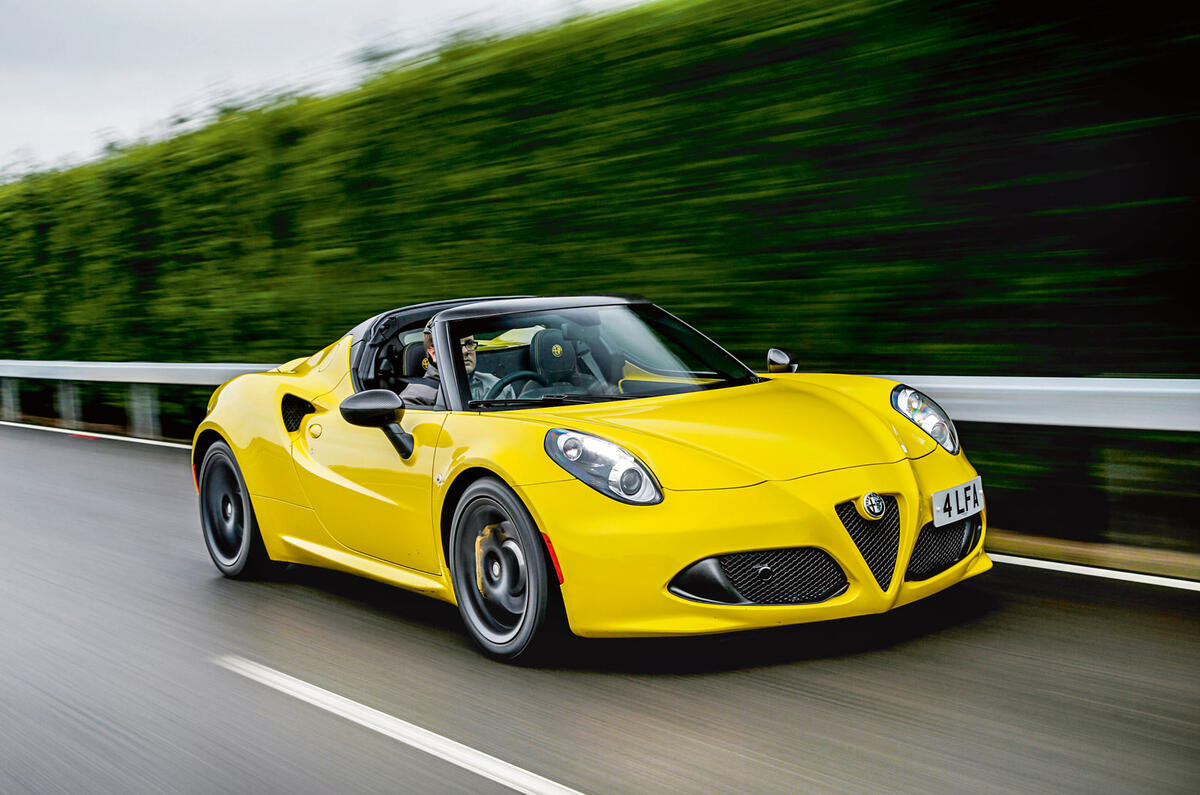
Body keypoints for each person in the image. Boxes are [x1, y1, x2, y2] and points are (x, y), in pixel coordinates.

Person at [400, 325, 516, 405]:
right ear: (434, 354)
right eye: (456, 345)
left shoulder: (497, 385)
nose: (465, 351)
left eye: (469, 344)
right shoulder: (414, 398)